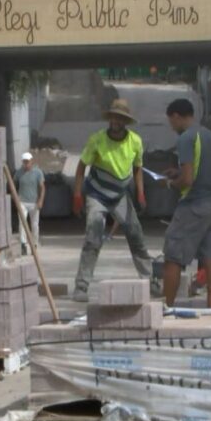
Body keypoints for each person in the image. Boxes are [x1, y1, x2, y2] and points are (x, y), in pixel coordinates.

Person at [72, 99, 153, 301]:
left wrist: (141, 193)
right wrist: (77, 195)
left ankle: (151, 281)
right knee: (93, 235)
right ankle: (81, 287)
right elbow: (81, 168)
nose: (116, 121)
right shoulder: (97, 140)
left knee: (136, 236)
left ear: (126, 121)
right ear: (110, 119)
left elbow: (137, 169)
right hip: (97, 194)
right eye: (114, 117)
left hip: (119, 196)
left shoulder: (135, 141)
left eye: (121, 118)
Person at [161, 98, 211, 307]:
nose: (172, 127)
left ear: (177, 116)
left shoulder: (186, 138)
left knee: (173, 255)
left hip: (193, 205)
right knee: (210, 258)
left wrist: (172, 183)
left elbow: (187, 180)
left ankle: (166, 307)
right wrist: (178, 172)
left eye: (171, 122)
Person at [14, 152, 45, 251]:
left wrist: (40, 200)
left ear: (32, 161)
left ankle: (34, 243)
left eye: (27, 162)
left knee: (34, 224)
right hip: (22, 202)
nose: (26, 164)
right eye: (24, 162)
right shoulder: (19, 173)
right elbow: (13, 185)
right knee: (22, 223)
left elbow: (42, 187)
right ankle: (23, 244)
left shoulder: (38, 172)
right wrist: (16, 197)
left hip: (34, 203)